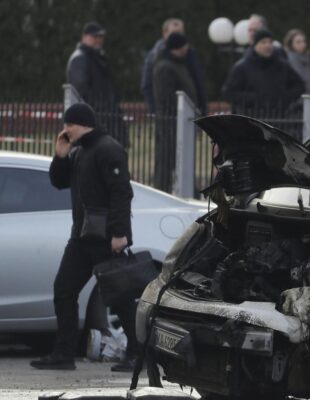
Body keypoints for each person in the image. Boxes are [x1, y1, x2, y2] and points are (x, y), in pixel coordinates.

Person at [31, 103, 137, 372]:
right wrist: (60, 156)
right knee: (64, 290)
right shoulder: (79, 150)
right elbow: (58, 181)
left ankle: (138, 354)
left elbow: (121, 193)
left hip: (104, 238)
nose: (65, 130)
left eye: (69, 124)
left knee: (119, 297)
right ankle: (64, 354)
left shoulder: (107, 148)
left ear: (83, 123)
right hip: (81, 237)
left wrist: (119, 233)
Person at [66, 22, 128, 147]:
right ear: (84, 37)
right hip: (94, 118)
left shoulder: (99, 57)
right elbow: (81, 91)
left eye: (100, 37)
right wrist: (98, 110)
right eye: (94, 36)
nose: (98, 40)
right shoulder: (80, 59)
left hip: (105, 116)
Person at [152, 32, 198, 193]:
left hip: (180, 120)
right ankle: (162, 190)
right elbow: (166, 96)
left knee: (181, 159)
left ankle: (188, 188)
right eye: (184, 45)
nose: (187, 49)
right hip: (171, 122)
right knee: (166, 161)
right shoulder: (166, 67)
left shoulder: (178, 64)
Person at [222, 29, 305, 117]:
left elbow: (300, 86)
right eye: (263, 42)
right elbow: (228, 93)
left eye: (270, 42)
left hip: (279, 120)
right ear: (255, 45)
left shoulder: (282, 65)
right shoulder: (241, 67)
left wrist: (284, 97)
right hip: (250, 120)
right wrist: (254, 98)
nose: (268, 45)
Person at [141, 18, 207, 114]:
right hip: (170, 112)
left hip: (189, 107)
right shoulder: (155, 55)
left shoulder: (189, 53)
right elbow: (147, 84)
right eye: (174, 32)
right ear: (165, 33)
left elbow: (197, 79)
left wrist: (202, 105)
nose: (177, 35)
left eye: (180, 32)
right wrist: (155, 110)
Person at [284, 29, 310, 96]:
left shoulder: (307, 58)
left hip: (308, 98)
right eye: (298, 42)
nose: (303, 44)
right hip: (294, 101)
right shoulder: (287, 59)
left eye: (304, 41)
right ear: (291, 43)